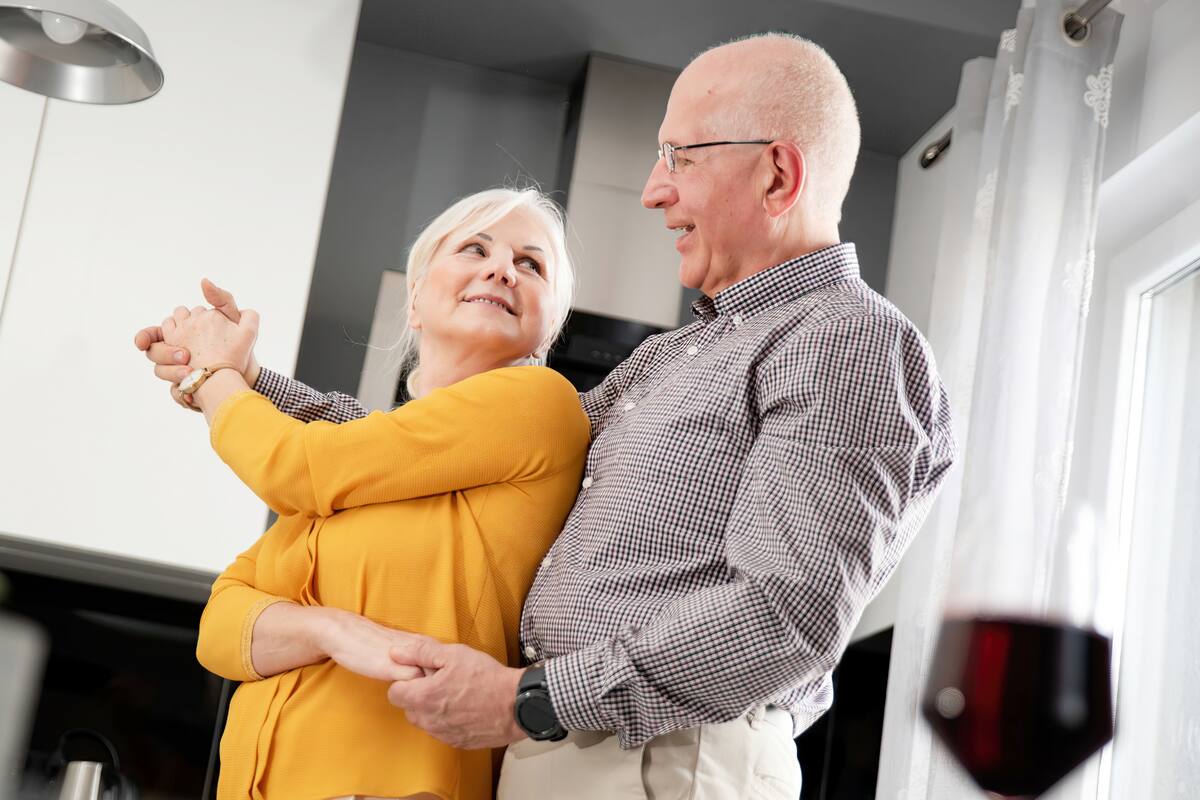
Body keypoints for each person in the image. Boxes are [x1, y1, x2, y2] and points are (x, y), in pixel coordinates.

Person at [139, 32, 956, 798]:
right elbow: (399, 447)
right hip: (576, 748)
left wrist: (531, 700)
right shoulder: (673, 357)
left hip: (667, 759)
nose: (652, 189)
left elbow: (785, 614)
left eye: (678, 156)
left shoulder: (849, 341)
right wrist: (246, 376)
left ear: (777, 175)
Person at [143, 188, 588, 800]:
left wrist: (212, 376)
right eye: (474, 248)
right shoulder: (367, 462)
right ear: (414, 301)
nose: (502, 268)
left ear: (548, 327)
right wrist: (328, 630)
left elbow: (292, 467)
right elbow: (220, 628)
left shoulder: (539, 405)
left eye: (531, 263)